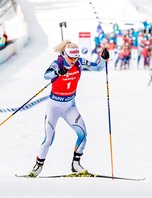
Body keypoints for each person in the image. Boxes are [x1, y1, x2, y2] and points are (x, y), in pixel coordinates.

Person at [29, 40, 110, 177]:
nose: (74, 61)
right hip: (54, 106)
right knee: (49, 138)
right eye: (71, 58)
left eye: (76, 57)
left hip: (69, 106)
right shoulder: (58, 63)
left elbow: (97, 68)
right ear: (65, 55)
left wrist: (103, 59)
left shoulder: (79, 62)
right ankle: (38, 166)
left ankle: (75, 164)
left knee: (82, 134)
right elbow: (46, 75)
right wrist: (57, 72)